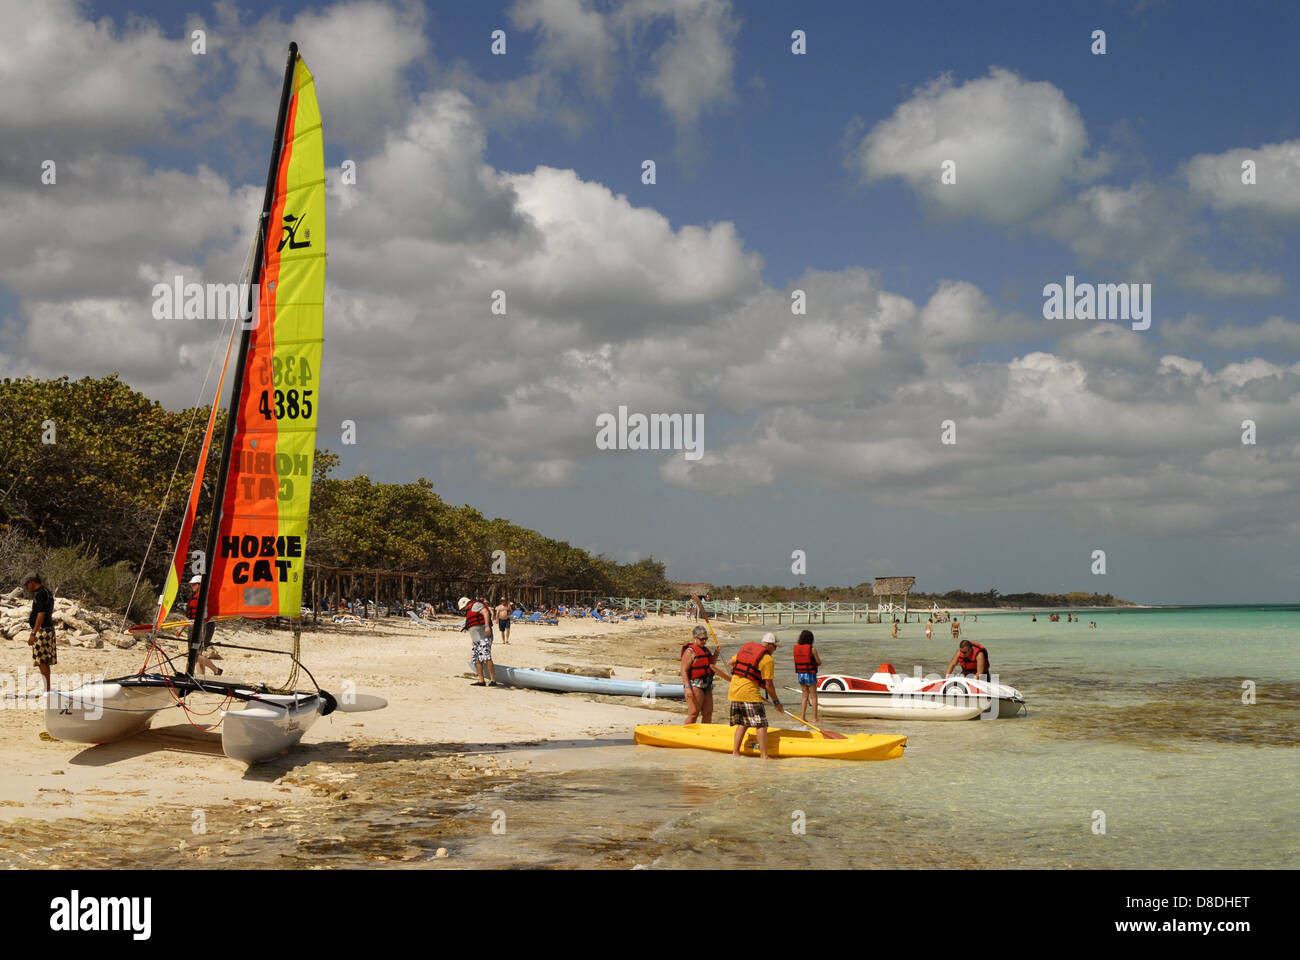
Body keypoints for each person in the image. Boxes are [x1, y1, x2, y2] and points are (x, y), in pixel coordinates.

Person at [727, 632, 782, 759]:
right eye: (775, 647)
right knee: (761, 724)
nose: (775, 650)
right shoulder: (767, 659)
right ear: (769, 645)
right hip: (749, 694)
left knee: (743, 722)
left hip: (734, 690)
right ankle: (764, 756)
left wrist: (738, 676)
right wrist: (777, 702)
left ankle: (735, 753)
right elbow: (769, 685)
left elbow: (730, 663)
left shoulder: (748, 651)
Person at [680, 621, 730, 724]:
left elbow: (711, 665)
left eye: (706, 639)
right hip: (695, 685)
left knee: (708, 712)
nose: (704, 641)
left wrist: (716, 654)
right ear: (695, 637)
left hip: (707, 685)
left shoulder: (705, 650)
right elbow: (684, 670)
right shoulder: (690, 652)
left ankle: (704, 733)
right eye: (702, 639)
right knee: (693, 712)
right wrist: (687, 687)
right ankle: (687, 734)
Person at [23, 574, 56, 692]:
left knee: (42, 660)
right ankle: (47, 688)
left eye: (27, 585)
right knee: (44, 660)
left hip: (42, 631)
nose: (27, 588)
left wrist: (33, 633)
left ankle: (47, 690)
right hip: (48, 629)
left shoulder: (41, 593)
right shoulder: (47, 591)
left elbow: (41, 614)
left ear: (32, 582)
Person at [185, 575, 222, 676]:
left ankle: (216, 670)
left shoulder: (205, 597)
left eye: (194, 584)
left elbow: (207, 613)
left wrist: (198, 622)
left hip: (203, 626)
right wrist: (181, 628)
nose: (192, 586)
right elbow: (190, 616)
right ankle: (201, 676)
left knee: (195, 654)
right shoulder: (194, 596)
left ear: (201, 585)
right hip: (193, 626)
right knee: (197, 654)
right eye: (191, 584)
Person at [460, 596, 497, 686]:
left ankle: (493, 680)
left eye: (463, 608)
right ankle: (481, 681)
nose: (463, 610)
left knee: (486, 657)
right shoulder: (469, 610)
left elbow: (485, 612)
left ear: (466, 603)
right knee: (476, 659)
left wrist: (487, 626)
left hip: (483, 637)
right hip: (475, 639)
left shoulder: (475, 605)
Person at [792, 629, 821, 722]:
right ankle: (815, 718)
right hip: (810, 674)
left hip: (801, 674)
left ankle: (803, 717)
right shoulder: (812, 649)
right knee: (814, 697)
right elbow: (818, 662)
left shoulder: (796, 648)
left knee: (804, 696)